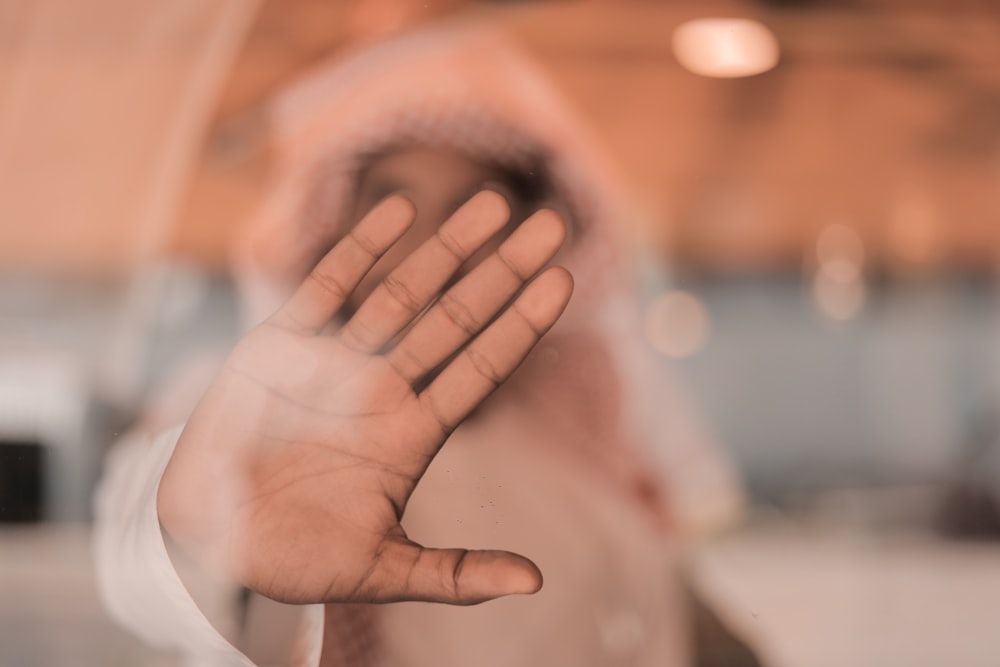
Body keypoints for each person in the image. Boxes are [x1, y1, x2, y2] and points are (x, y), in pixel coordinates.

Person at [94, 23, 742, 667]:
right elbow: (130, 559)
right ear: (335, 220)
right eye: (394, 204)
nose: (430, 243)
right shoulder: (242, 398)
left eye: (470, 209)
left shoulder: (571, 456)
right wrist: (198, 521)